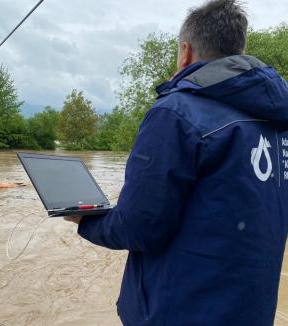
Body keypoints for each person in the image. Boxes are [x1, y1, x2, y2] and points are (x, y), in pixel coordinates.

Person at [65, 0, 288, 325]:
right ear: (237, 48)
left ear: (185, 51)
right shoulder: (278, 123)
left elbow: (138, 227)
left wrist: (83, 220)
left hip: (177, 312)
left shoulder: (176, 112)